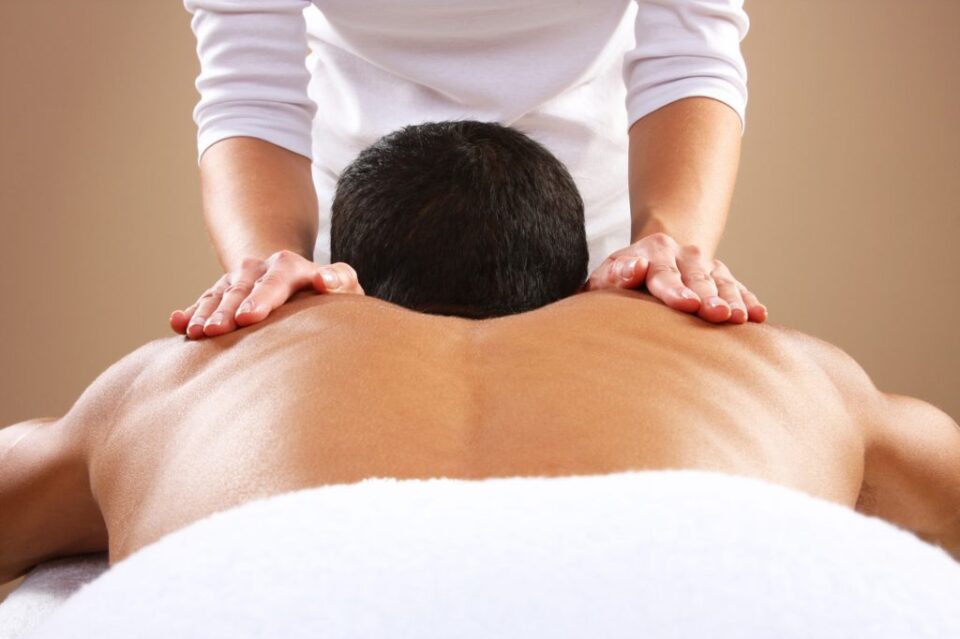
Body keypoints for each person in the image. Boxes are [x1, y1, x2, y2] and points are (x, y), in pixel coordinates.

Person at [2, 122, 956, 583]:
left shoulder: (183, 373)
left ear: (344, 277)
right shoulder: (779, 367)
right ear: (588, 278)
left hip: (266, 583)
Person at [169, 0, 768, 341]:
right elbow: (250, 89)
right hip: (360, 243)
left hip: (598, 233)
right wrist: (274, 262)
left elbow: (691, 59)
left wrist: (662, 247)